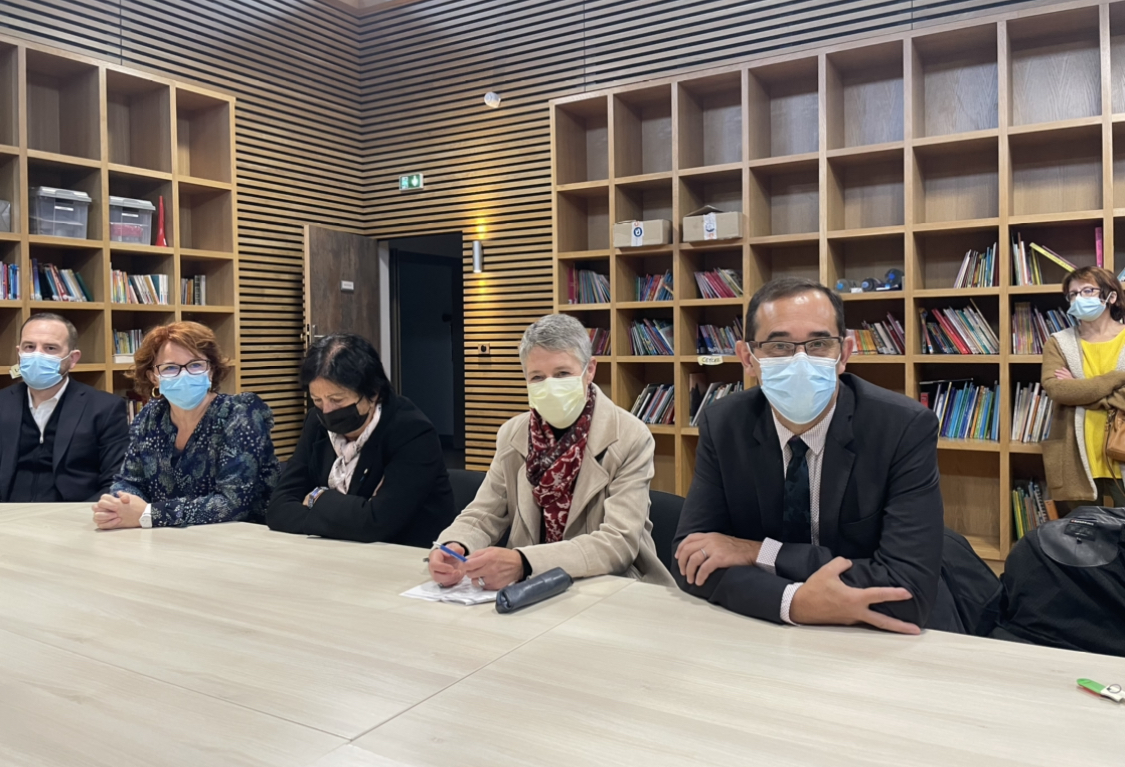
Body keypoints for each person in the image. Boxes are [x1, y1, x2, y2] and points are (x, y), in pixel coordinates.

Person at [672, 277, 957, 633]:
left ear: (845, 354)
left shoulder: (903, 428)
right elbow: (691, 558)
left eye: (820, 343)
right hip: (764, 637)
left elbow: (906, 591)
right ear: (748, 357)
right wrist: (795, 603)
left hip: (879, 640)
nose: (801, 361)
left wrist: (756, 552)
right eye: (779, 347)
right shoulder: (723, 423)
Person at [429, 314, 674, 590]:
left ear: (589, 369)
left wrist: (525, 562)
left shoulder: (630, 436)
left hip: (608, 587)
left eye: (562, 374)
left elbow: (618, 543)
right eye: (537, 377)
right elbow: (484, 513)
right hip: (529, 589)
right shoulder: (512, 434)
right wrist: (454, 545)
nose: (550, 386)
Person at [267, 333, 454, 545]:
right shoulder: (316, 423)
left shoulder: (412, 432)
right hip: (332, 550)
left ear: (373, 393)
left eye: (337, 400)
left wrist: (316, 498)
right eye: (317, 400)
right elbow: (278, 508)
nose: (326, 411)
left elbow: (376, 524)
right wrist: (353, 513)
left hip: (404, 558)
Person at [91, 322, 278, 529]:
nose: (184, 374)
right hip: (168, 539)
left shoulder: (240, 413)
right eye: (170, 368)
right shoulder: (150, 416)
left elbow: (233, 503)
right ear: (153, 377)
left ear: (211, 370)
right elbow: (130, 481)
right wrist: (119, 506)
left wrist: (149, 514)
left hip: (244, 540)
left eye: (195, 365)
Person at [0, 313, 128, 503]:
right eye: (29, 347)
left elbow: (116, 480)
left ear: (73, 358)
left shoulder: (104, 408)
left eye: (50, 348)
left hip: (74, 520)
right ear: (19, 353)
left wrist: (83, 519)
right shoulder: (3, 402)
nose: (37, 355)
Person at [1040, 266, 1125, 507]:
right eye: (1073, 294)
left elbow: (1072, 392)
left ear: (1111, 296)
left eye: (1087, 290)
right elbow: (1057, 390)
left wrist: (1080, 389)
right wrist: (1118, 379)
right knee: (1081, 539)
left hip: (1121, 456)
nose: (1078, 298)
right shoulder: (1058, 342)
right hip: (1075, 457)